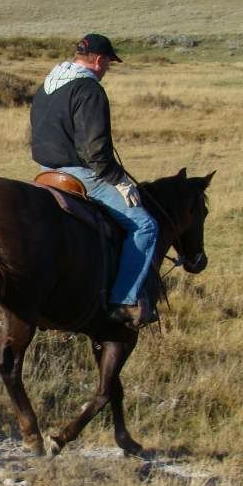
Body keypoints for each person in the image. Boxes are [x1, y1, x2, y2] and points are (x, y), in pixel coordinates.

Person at [29, 33, 158, 328]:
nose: (107, 70)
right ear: (99, 60)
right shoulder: (89, 89)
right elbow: (95, 151)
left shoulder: (46, 86)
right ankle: (124, 303)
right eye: (108, 64)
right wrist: (120, 180)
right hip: (79, 175)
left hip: (45, 171)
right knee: (145, 226)